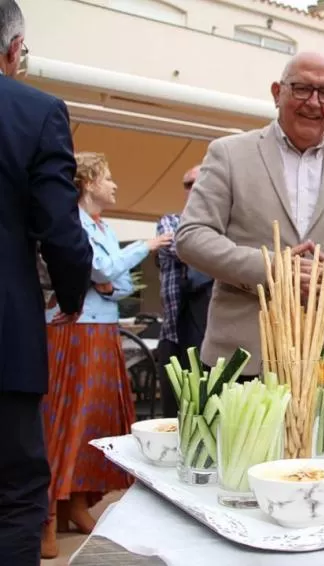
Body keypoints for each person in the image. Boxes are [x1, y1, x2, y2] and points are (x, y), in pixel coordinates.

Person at [176, 52, 324, 378]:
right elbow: (191, 237)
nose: (314, 102)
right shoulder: (229, 153)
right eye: (301, 88)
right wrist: (272, 268)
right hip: (240, 358)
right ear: (277, 92)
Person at [39, 152, 172, 557]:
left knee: (96, 419)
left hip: (102, 326)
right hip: (72, 331)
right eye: (108, 177)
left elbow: (117, 282)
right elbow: (99, 268)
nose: (114, 184)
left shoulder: (104, 226)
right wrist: (143, 248)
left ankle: (77, 500)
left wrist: (111, 281)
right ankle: (45, 512)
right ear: (88, 182)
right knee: (65, 420)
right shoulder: (74, 221)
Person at [0, 2, 93, 563]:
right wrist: (70, 293)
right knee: (14, 493)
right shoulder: (33, 111)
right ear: (13, 50)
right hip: (5, 337)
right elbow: (60, 226)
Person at [155, 165, 212, 418]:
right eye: (188, 184)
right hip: (175, 332)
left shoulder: (226, 225)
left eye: (201, 182)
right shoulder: (171, 221)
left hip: (217, 334)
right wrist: (220, 253)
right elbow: (185, 248)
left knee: (210, 411)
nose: (194, 188)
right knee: (175, 413)